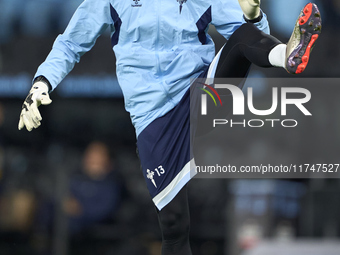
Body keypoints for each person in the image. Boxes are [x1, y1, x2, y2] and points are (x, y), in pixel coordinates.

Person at [18, 0, 322, 254]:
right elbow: (71, 42)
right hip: (152, 117)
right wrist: (41, 82)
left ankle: (288, 55)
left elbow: (252, 38)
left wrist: (254, 15)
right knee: (175, 226)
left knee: (242, 37)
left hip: (201, 96)